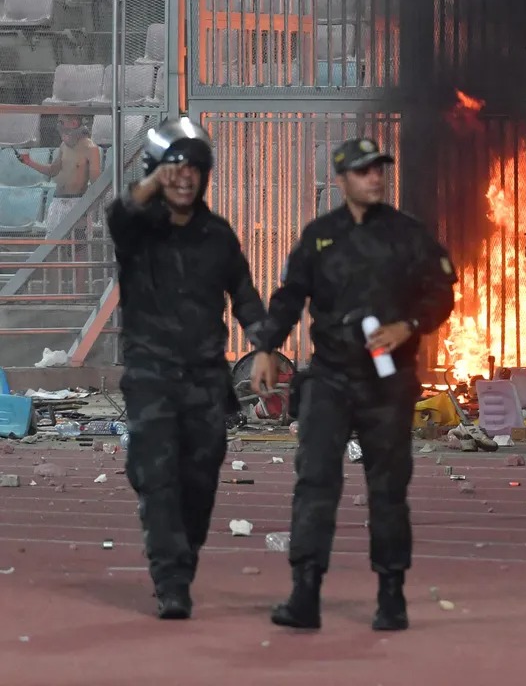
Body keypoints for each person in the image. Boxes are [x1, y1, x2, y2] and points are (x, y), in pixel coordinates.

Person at [250, 138, 457, 632]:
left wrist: (408, 325)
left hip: (388, 383)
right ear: (342, 180)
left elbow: (441, 294)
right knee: (315, 481)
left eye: (379, 170)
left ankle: (391, 595)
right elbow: (288, 297)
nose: (375, 178)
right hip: (329, 378)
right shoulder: (319, 236)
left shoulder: (408, 235)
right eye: (363, 172)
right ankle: (305, 592)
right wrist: (264, 348)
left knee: (387, 489)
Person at [105, 116, 268, 620]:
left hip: (204, 380)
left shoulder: (218, 236)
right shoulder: (137, 230)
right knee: (156, 475)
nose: (185, 176)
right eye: (176, 166)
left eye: (195, 167)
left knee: (199, 481)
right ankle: (171, 581)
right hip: (150, 374)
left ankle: (182, 559)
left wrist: (263, 347)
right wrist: (159, 171)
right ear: (157, 171)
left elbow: (244, 295)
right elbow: (121, 212)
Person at [16, 114, 102, 232]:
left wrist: (87, 208)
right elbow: (53, 170)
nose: (59, 126)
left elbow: (96, 182)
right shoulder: (63, 146)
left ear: (74, 123)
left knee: (77, 246)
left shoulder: (91, 148)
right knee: (53, 245)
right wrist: (28, 162)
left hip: (77, 203)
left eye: (62, 122)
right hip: (57, 202)